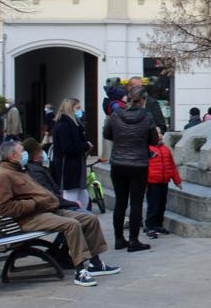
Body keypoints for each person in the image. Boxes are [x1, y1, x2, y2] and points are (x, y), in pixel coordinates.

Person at [0, 141, 119, 287]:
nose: (25, 153)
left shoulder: (21, 170)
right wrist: (34, 203)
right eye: (22, 151)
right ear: (13, 156)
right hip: (31, 217)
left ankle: (95, 263)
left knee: (89, 218)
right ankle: (80, 271)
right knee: (72, 225)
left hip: (48, 210)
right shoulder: (4, 176)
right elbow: (3, 208)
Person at [103, 86, 158, 252]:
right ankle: (134, 240)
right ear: (143, 99)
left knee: (120, 202)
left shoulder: (116, 114)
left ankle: (119, 239)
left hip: (118, 163)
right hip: (138, 164)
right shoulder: (147, 117)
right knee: (136, 203)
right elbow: (154, 140)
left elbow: (107, 134)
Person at [52, 98, 93, 209]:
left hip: (75, 167)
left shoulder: (73, 125)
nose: (80, 111)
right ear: (70, 109)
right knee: (72, 196)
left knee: (82, 196)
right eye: (77, 108)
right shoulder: (65, 125)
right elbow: (67, 148)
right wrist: (85, 146)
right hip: (69, 168)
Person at [23, 138, 82, 212]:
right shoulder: (36, 172)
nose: (43, 153)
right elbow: (50, 196)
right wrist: (73, 203)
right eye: (41, 151)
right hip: (52, 210)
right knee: (88, 217)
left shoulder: (35, 169)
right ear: (35, 156)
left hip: (53, 207)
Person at [145, 127, 182, 238]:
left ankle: (158, 225)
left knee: (161, 205)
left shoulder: (166, 149)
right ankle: (150, 226)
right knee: (153, 205)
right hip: (152, 182)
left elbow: (172, 166)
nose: (160, 136)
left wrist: (177, 181)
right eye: (157, 134)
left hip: (164, 181)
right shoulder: (147, 150)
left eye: (161, 133)